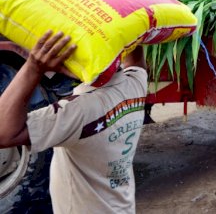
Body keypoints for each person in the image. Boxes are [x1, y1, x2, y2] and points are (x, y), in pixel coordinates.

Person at [0, 32, 148, 213]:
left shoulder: (79, 110)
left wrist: (33, 67)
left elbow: (4, 133)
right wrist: (132, 35)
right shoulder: (135, 86)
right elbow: (136, 64)